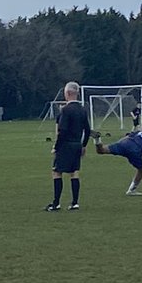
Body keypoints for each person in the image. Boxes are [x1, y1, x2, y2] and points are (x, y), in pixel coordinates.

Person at [46, 81, 93, 211]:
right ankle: (75, 202)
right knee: (74, 173)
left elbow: (62, 131)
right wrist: (83, 145)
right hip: (77, 144)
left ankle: (56, 203)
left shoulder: (65, 110)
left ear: (67, 93)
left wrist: (56, 146)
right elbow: (88, 130)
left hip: (65, 145)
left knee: (56, 172)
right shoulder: (82, 110)